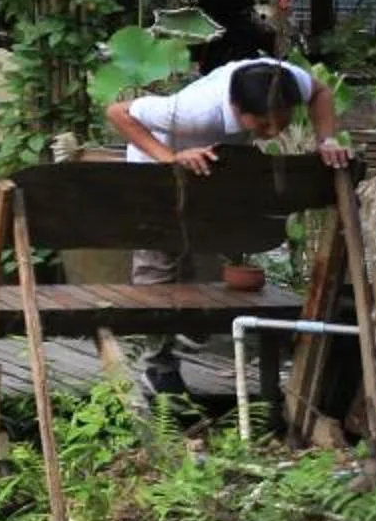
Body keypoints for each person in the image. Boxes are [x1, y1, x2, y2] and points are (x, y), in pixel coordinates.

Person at [105, 57, 348, 397]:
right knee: (159, 266)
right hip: (157, 168)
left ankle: (192, 332)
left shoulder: (288, 79)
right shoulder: (192, 111)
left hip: (210, 170)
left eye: (282, 120)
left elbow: (320, 91)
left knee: (211, 257)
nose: (274, 130)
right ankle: (158, 365)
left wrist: (327, 141)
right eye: (263, 124)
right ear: (236, 108)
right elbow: (118, 112)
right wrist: (169, 158)